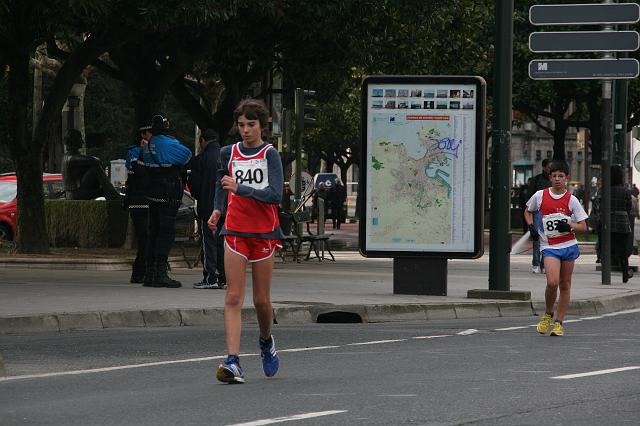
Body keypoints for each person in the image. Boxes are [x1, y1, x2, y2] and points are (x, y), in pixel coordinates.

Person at [207, 99, 283, 384]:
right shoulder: (228, 153)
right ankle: (233, 361)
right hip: (235, 230)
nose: (246, 130)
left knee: (261, 301)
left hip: (263, 232)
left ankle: (266, 340)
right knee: (233, 297)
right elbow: (221, 184)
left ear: (262, 126)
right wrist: (218, 210)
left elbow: (275, 195)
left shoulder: (270, 154)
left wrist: (242, 188)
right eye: (241, 125)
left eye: (251, 125)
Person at [524, 160, 588, 336]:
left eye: (561, 176)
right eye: (554, 176)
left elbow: (584, 226)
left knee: (565, 284)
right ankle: (548, 313)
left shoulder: (571, 200)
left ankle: (559, 322)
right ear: (550, 178)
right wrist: (531, 227)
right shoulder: (540, 195)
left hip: (568, 245)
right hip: (549, 246)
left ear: (566, 178)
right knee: (552, 282)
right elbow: (528, 210)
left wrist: (570, 226)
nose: (557, 179)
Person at [140, 114, 192, 288]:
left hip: (152, 194)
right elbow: (187, 155)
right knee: (166, 233)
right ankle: (161, 273)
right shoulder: (168, 143)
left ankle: (149, 273)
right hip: (168, 194)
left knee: (153, 232)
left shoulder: (147, 146)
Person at [188, 128, 226, 290]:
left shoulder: (201, 159)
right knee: (223, 242)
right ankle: (225, 276)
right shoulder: (226, 157)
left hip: (208, 206)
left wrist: (201, 196)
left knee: (209, 241)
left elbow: (194, 186)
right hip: (226, 206)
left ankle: (211, 276)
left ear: (202, 140)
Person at [123, 126, 152, 283]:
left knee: (149, 237)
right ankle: (139, 272)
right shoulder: (135, 151)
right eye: (150, 132)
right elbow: (138, 170)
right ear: (142, 134)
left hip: (149, 199)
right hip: (138, 200)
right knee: (144, 237)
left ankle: (147, 270)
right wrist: (143, 151)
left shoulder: (154, 149)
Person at [61, 129, 121, 201]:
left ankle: (112, 194)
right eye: (80, 139)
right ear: (74, 141)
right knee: (95, 168)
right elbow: (95, 161)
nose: (82, 142)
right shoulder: (71, 158)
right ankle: (113, 194)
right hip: (76, 194)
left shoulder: (68, 157)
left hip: (74, 193)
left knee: (104, 190)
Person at [527, 158, 552, 274]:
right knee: (537, 238)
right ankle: (536, 263)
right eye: (549, 166)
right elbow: (529, 198)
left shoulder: (552, 180)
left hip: (550, 212)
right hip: (538, 211)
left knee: (547, 239)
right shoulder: (537, 180)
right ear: (544, 167)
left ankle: (543, 264)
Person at [609, 166, 633, 282]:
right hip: (623, 222)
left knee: (609, 247)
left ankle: (606, 274)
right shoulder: (626, 190)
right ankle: (625, 272)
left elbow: (599, 205)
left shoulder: (606, 190)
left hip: (609, 222)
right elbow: (629, 206)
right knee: (623, 250)